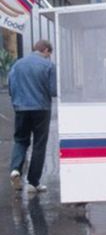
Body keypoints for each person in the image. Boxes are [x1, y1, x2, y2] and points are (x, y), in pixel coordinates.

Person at [9, 39, 56, 194]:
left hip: (21, 108)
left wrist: (17, 102)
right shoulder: (48, 66)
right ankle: (33, 182)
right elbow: (53, 90)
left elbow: (11, 86)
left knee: (21, 140)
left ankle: (15, 170)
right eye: (49, 54)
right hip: (41, 108)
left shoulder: (17, 64)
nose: (48, 57)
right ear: (46, 50)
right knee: (39, 144)